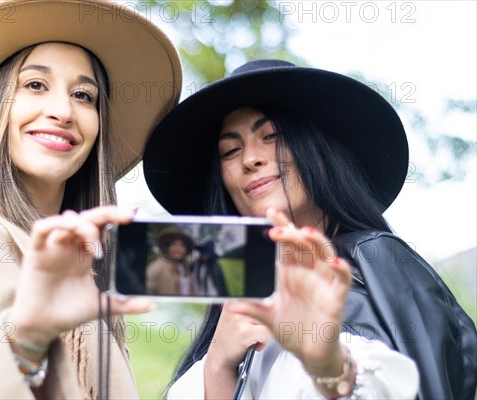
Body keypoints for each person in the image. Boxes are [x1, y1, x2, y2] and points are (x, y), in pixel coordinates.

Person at [0, 1, 181, 398]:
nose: (62, 111)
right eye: (35, 85)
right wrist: (25, 339)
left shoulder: (79, 264)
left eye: (83, 95)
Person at [143, 60, 477, 399]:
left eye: (271, 135)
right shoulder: (232, 317)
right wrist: (218, 369)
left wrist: (328, 365)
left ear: (319, 152)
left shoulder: (378, 262)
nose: (250, 159)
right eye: (230, 150)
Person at [146, 229, 195, 296]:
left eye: (182, 245)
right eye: (174, 244)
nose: (178, 248)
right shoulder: (161, 268)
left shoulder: (184, 267)